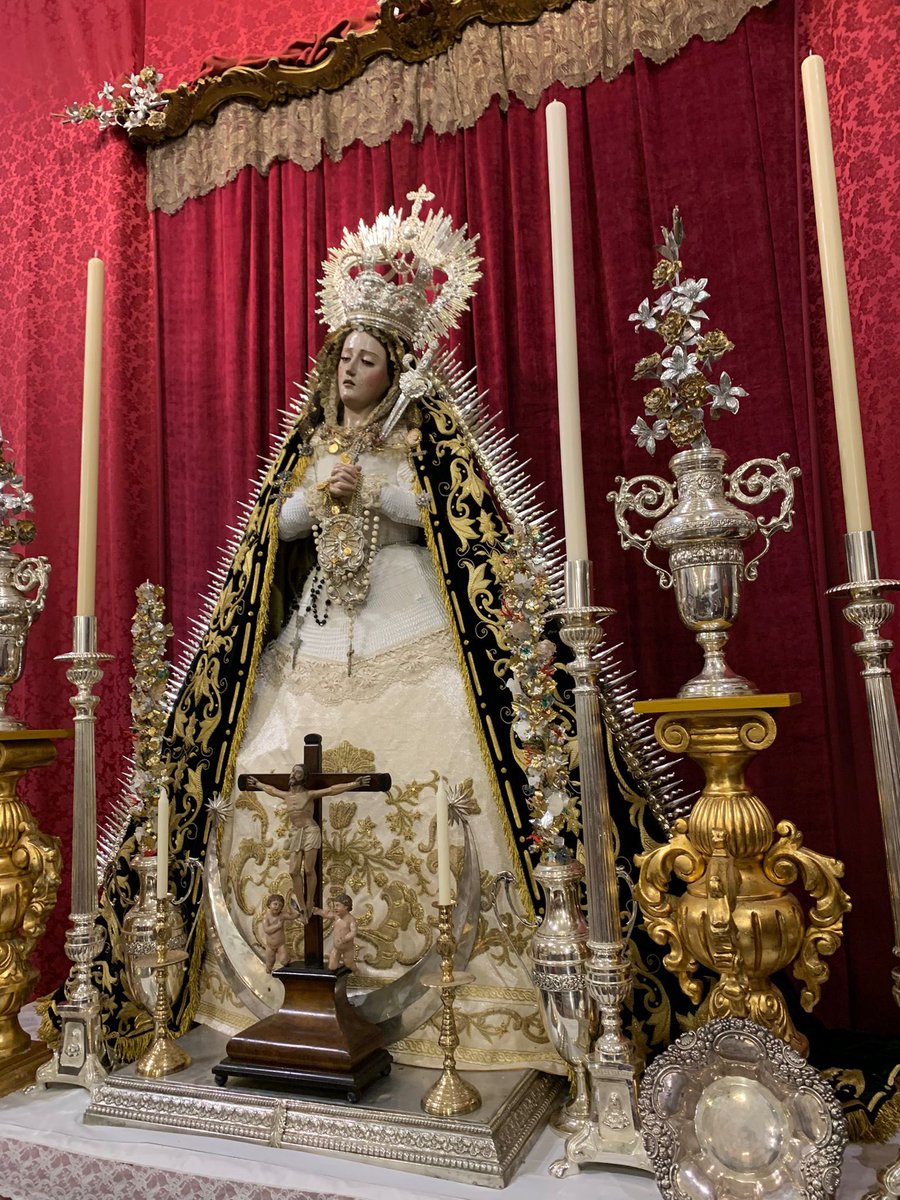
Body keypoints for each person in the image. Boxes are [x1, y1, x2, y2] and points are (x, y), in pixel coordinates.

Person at [58, 188, 677, 1071]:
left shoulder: (422, 438)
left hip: (410, 628)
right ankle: (277, 987)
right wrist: (316, 500)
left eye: (366, 358)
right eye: (341, 355)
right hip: (314, 641)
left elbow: (463, 524)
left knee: (440, 794)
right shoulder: (308, 446)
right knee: (271, 779)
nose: (348, 370)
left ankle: (471, 1009)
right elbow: (267, 536)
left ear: (395, 367)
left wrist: (385, 493)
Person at [246, 767, 372, 920]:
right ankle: (302, 905)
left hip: (310, 831)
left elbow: (332, 790)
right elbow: (271, 789)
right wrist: (258, 784)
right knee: (293, 871)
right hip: (296, 832)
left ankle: (310, 902)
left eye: (297, 772)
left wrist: (355, 784)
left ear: (303, 777)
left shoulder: (309, 794)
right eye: (292, 771)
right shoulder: (286, 795)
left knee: (308, 870)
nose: (292, 774)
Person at [313, 893, 357, 970]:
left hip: (347, 948)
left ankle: (357, 973)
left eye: (337, 905)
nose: (335, 908)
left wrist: (346, 938)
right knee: (332, 966)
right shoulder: (336, 916)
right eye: (334, 906)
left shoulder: (351, 919)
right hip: (336, 948)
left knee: (349, 964)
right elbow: (327, 914)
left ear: (346, 907)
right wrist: (318, 911)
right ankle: (332, 977)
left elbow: (353, 932)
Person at [260, 894, 290, 973]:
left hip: (280, 945)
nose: (277, 907)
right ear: (269, 905)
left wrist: (298, 913)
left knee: (284, 961)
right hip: (270, 946)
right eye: (275, 904)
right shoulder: (266, 917)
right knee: (269, 964)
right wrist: (277, 926)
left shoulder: (282, 915)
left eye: (280, 905)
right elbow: (267, 930)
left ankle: (287, 964)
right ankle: (269, 974)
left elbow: (292, 916)